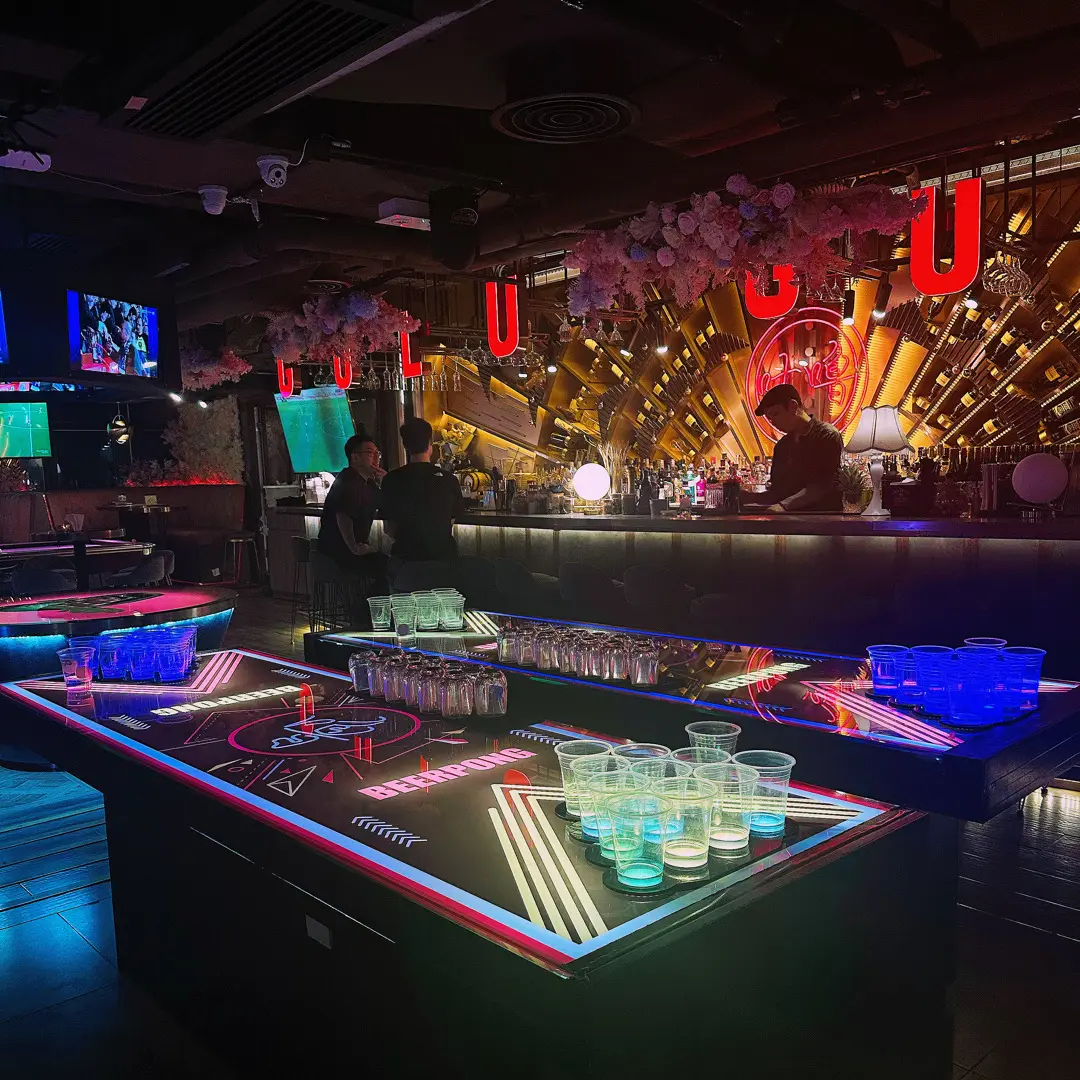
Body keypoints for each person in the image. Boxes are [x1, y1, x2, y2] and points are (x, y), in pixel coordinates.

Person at [381, 417, 464, 566]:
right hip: (443, 560)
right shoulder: (448, 479)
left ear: (405, 445)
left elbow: (389, 529)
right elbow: (450, 521)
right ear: (430, 444)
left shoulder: (391, 480)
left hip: (405, 561)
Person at [747, 383, 844, 512]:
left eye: (775, 414)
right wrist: (747, 497)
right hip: (790, 522)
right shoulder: (782, 447)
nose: (773, 423)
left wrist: (784, 505)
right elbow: (777, 492)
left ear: (793, 406)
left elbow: (822, 485)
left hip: (822, 519)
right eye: (769, 419)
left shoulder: (826, 435)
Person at [317, 432, 387, 585]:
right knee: (389, 568)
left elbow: (384, 503)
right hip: (338, 553)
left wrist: (384, 481)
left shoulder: (368, 483)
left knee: (387, 566)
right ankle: (368, 601)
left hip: (349, 551)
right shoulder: (348, 480)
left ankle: (367, 599)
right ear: (355, 457)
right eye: (370, 453)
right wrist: (354, 547)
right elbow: (343, 515)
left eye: (378, 453)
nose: (376, 458)